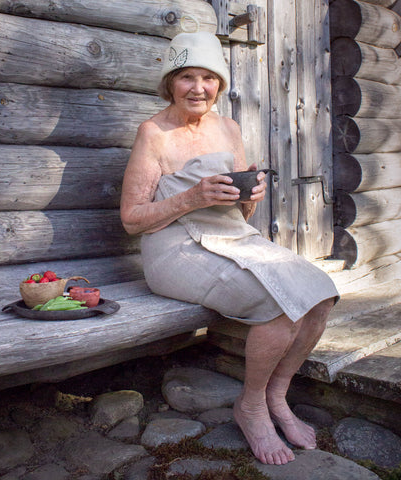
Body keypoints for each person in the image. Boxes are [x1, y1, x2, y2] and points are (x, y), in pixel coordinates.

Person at [120, 31, 339, 465]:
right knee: (278, 304)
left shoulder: (229, 127)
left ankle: (277, 396)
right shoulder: (154, 133)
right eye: (186, 77)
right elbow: (130, 219)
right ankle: (251, 406)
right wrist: (191, 198)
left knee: (320, 293)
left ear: (219, 84)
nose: (198, 88)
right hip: (173, 247)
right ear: (170, 83)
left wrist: (249, 195)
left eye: (207, 78)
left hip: (232, 238)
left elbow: (243, 213)